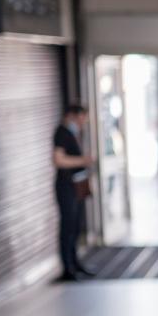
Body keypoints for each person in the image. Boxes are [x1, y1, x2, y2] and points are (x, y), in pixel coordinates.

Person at [53, 104, 95, 281]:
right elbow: (58, 160)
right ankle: (67, 268)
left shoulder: (73, 132)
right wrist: (82, 160)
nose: (82, 123)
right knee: (68, 227)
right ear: (71, 116)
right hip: (66, 187)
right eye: (80, 119)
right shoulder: (62, 132)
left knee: (76, 226)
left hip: (76, 186)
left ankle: (75, 262)